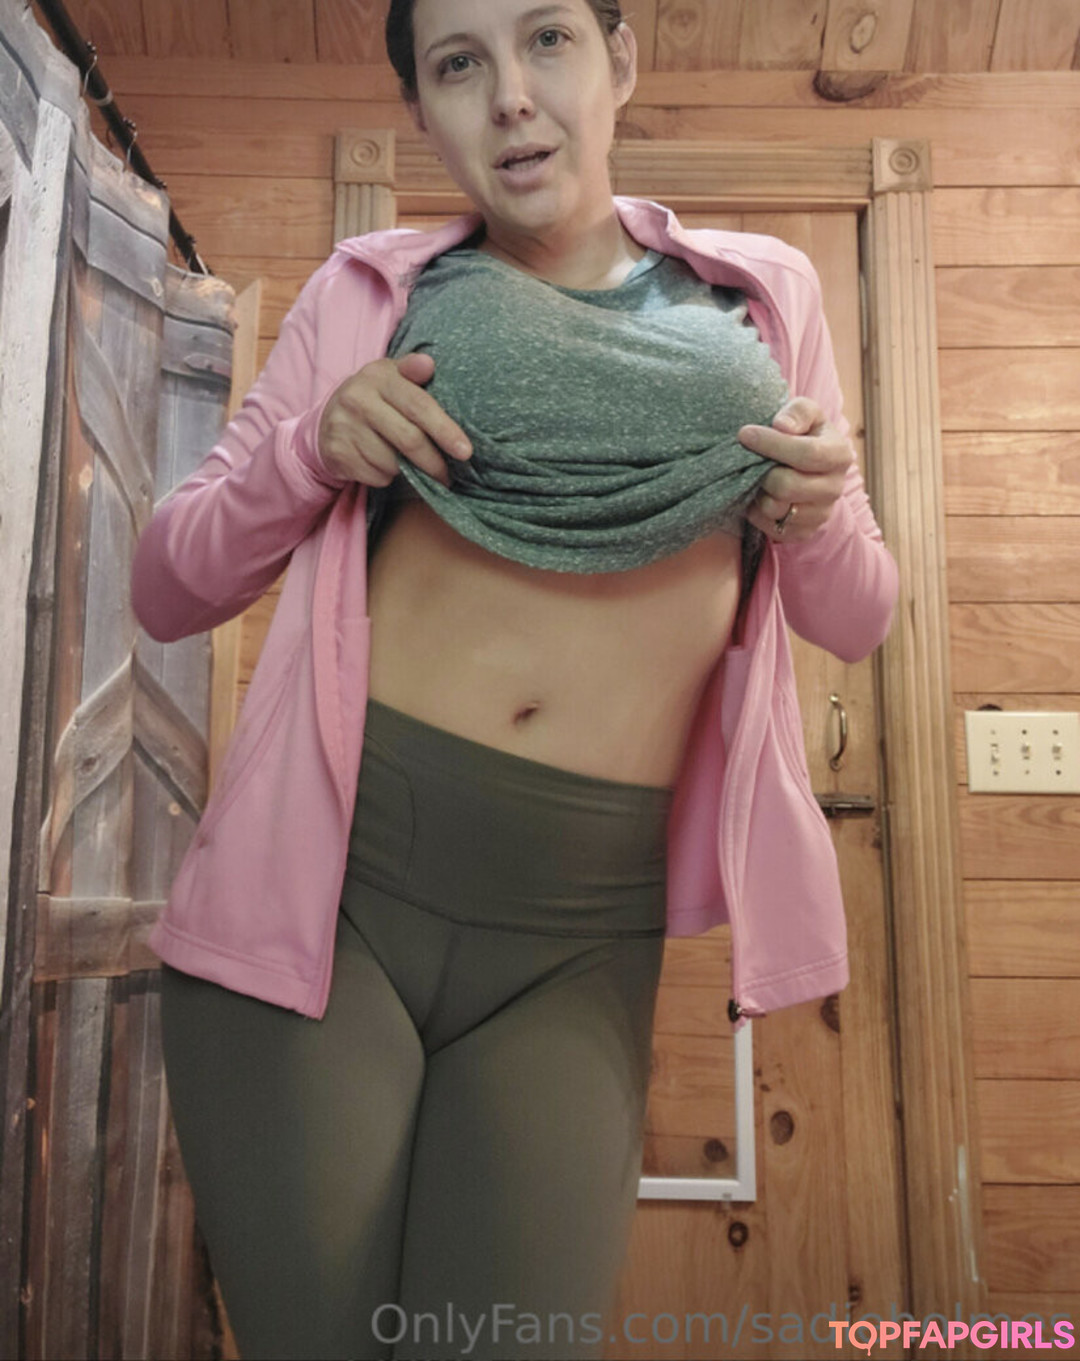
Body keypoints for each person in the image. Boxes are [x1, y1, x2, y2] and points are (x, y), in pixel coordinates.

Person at [132, 1, 899, 1358]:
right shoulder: (367, 292)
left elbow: (857, 613)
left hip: (580, 939)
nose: (510, 97)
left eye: (547, 39)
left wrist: (820, 511)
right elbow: (168, 584)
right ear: (422, 112)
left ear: (622, 58)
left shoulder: (766, 295)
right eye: (458, 65)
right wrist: (309, 450)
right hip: (330, 903)